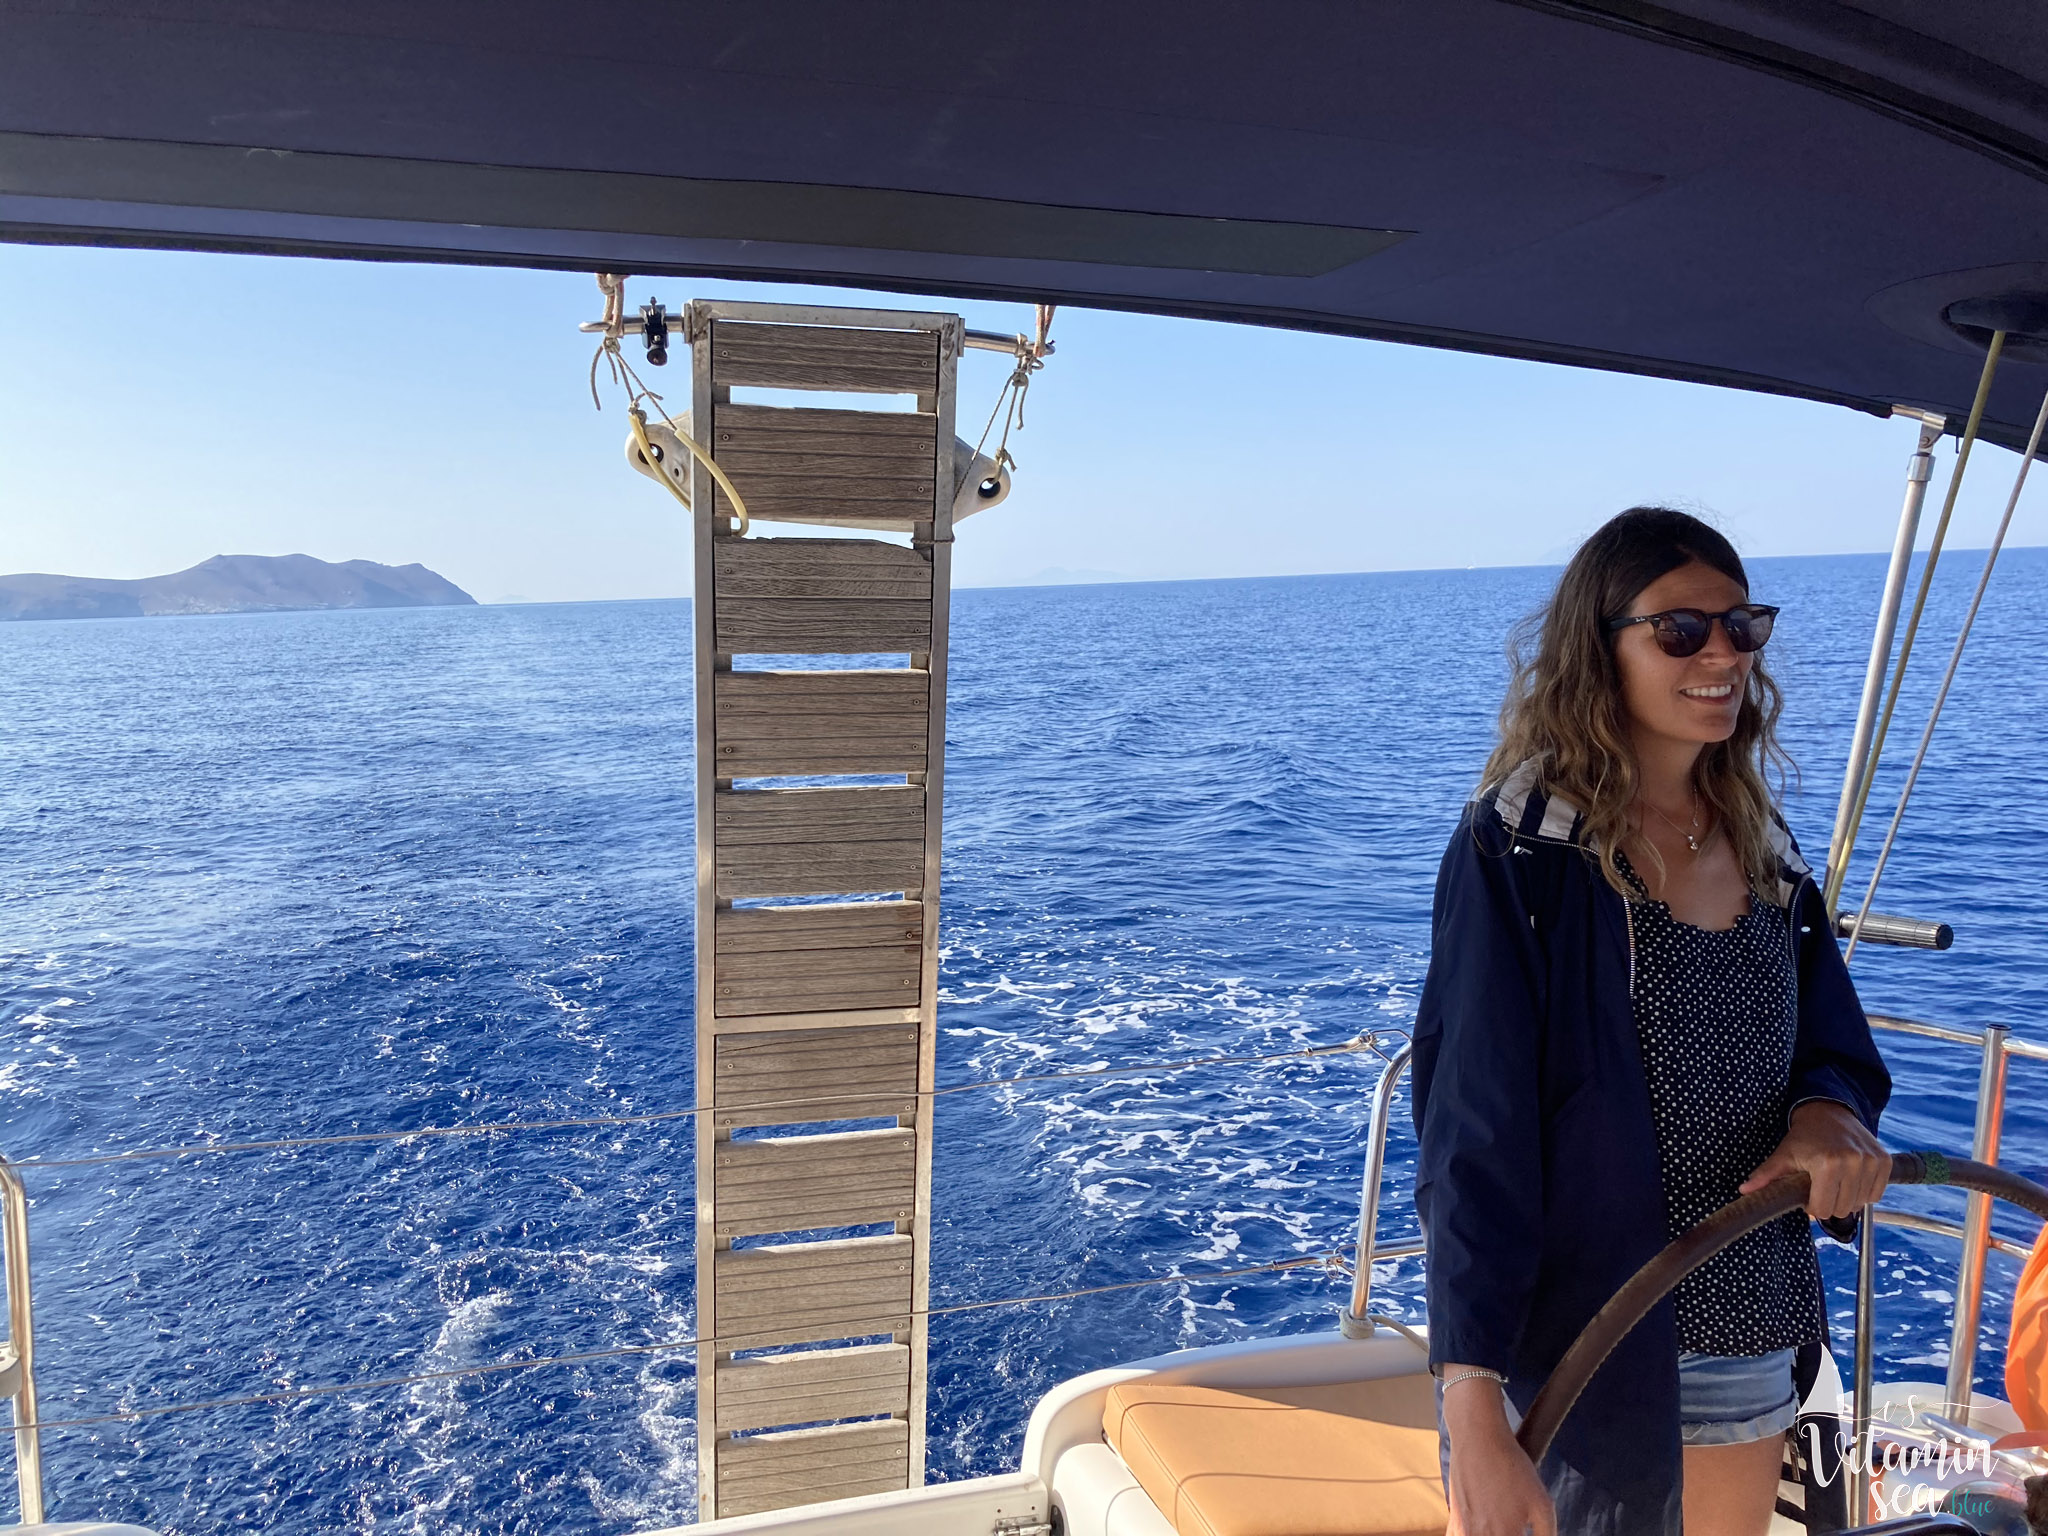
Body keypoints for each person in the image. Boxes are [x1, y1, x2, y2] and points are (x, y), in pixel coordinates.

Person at [1411, 507, 1893, 1536]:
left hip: (1745, 1310)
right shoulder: (1521, 850)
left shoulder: (1762, 846)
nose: (1722, 654)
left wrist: (1826, 1114)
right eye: (1679, 630)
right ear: (1601, 648)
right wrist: (1472, 1407)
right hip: (1582, 1339)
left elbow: (1834, 1048)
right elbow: (1473, 1132)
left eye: (1740, 626)